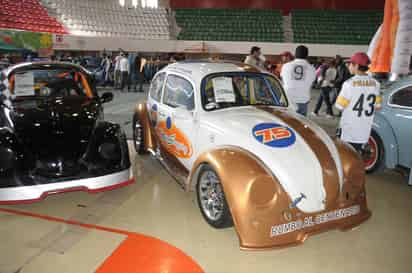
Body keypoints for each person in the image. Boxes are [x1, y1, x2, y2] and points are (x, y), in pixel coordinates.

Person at [334, 52, 381, 153]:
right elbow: (377, 106)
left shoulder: (349, 84)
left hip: (349, 131)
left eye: (351, 64)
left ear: (357, 66)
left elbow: (339, 106)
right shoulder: (376, 84)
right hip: (364, 131)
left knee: (346, 157)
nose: (348, 66)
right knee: (358, 155)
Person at [280, 45, 316, 116]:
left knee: (285, 123)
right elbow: (311, 82)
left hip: (287, 99)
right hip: (302, 99)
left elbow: (282, 79)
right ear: (307, 56)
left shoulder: (286, 66)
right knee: (299, 124)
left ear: (295, 55)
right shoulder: (312, 69)